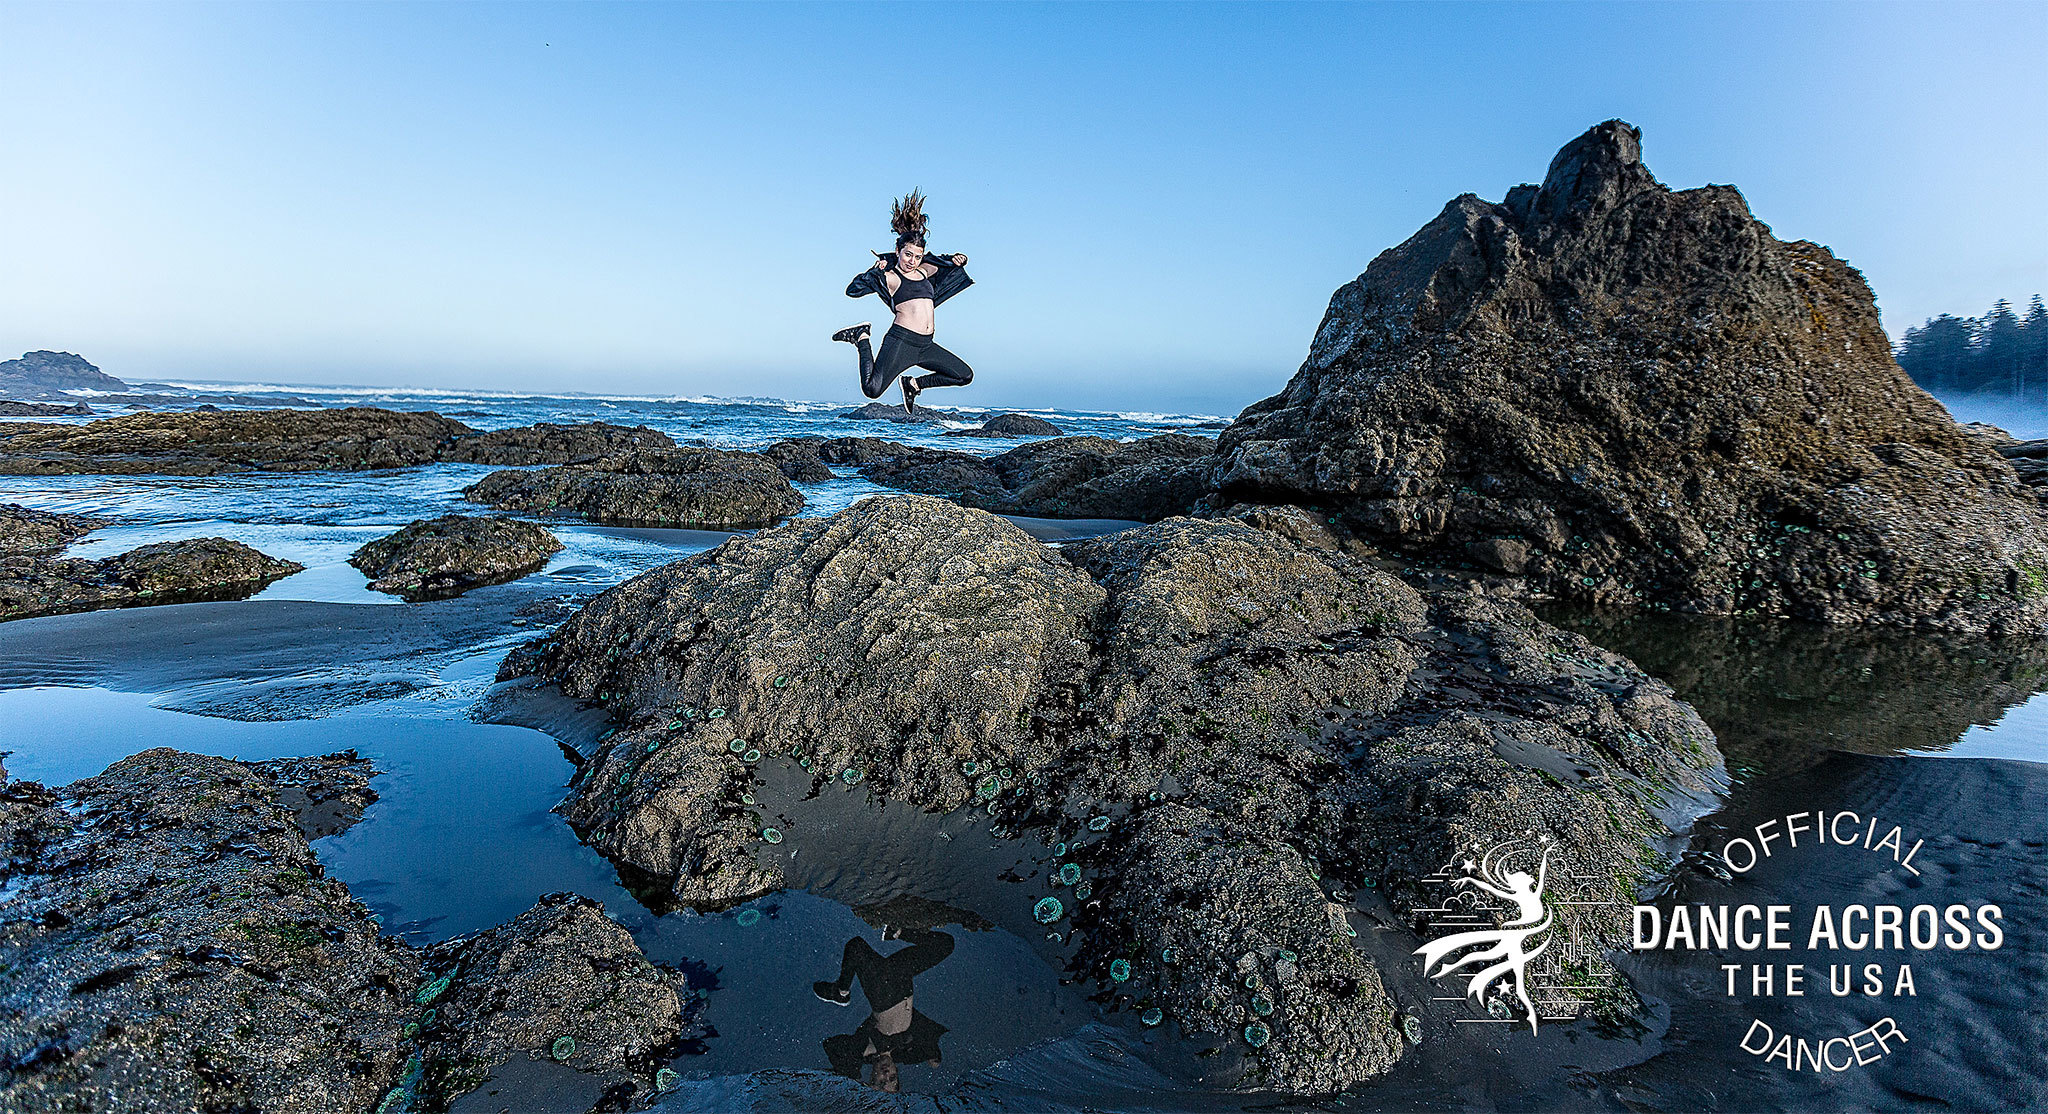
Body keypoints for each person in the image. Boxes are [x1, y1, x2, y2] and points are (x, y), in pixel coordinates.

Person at [833, 190, 976, 415]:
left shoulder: (926, 271)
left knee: (964, 375)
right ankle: (860, 336)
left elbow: (947, 263)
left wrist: (960, 260)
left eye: (917, 256)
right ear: (898, 251)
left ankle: (913, 385)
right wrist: (873, 272)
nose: (912, 261)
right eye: (908, 254)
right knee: (872, 389)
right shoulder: (891, 277)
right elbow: (853, 290)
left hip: (926, 345)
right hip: (901, 342)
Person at [815, 924, 954, 1091]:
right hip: (902, 980)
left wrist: (852, 1074)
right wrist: (934, 1056)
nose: (886, 1073)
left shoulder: (864, 1051)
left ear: (871, 1079)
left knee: (856, 946)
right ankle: (897, 931)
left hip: (883, 993)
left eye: (881, 1081)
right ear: (897, 1072)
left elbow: (830, 1045)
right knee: (945, 944)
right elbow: (928, 1047)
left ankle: (841, 991)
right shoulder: (905, 1054)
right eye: (892, 1078)